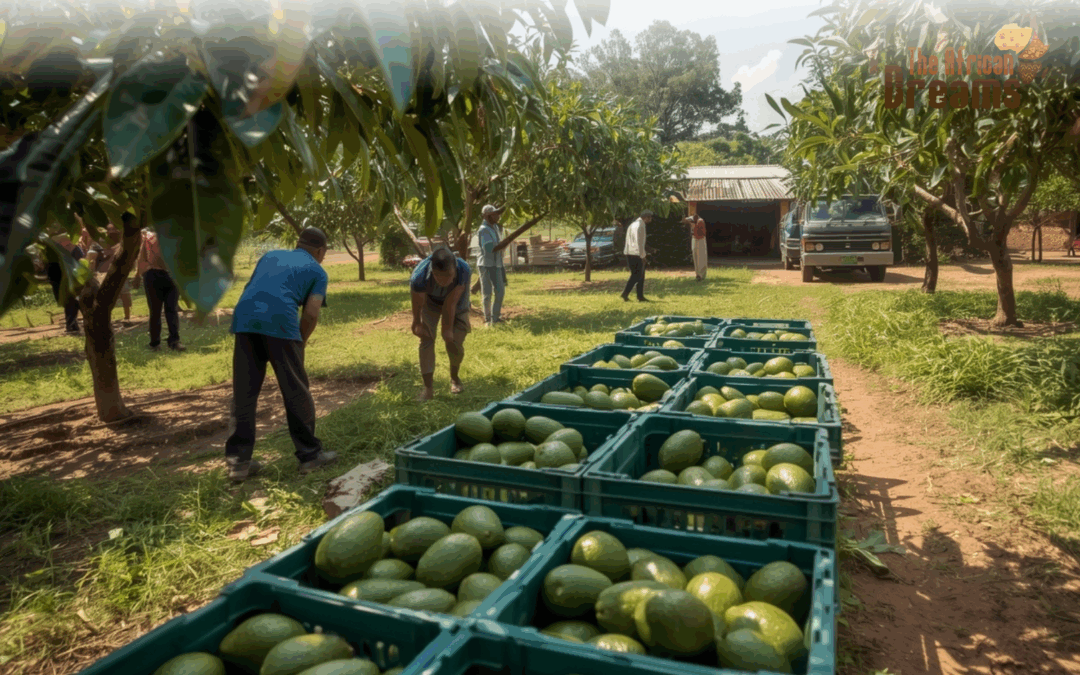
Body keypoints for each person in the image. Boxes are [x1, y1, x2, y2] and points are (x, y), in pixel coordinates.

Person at [224, 227, 338, 483]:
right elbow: (310, 314)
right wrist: (301, 343)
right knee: (296, 390)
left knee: (243, 393)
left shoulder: (270, 256)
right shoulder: (318, 272)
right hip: (279, 322)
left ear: (297, 243)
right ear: (321, 251)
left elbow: (253, 287)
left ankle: (238, 464)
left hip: (244, 319)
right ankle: (310, 457)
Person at [410, 247, 472, 401]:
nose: (445, 281)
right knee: (426, 339)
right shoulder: (419, 276)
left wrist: (447, 330)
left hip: (457, 305)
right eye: (439, 277)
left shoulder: (463, 269)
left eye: (449, 276)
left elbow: (450, 304)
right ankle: (428, 389)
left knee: (454, 341)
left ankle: (454, 377)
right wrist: (417, 322)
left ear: (455, 268)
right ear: (432, 269)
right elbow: (417, 301)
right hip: (430, 303)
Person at [136, 226, 185, 352]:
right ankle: (155, 343)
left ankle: (174, 341)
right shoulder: (149, 238)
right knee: (155, 311)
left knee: (172, 309)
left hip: (172, 276)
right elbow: (142, 257)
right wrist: (138, 275)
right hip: (153, 276)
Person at [94, 218, 134, 325]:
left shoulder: (122, 239)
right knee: (106, 295)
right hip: (105, 270)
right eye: (110, 228)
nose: (112, 230)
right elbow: (104, 251)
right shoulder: (103, 239)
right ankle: (107, 318)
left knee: (124, 293)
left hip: (120, 269)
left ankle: (127, 317)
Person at [46, 232, 84, 334]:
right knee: (70, 303)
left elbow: (81, 262)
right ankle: (72, 325)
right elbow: (51, 269)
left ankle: (73, 326)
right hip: (59, 281)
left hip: (73, 280)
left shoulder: (76, 250)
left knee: (74, 302)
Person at [476, 204, 507, 326]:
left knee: (500, 291)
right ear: (488, 216)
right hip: (486, 264)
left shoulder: (494, 228)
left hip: (497, 263)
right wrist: (503, 244)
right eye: (495, 214)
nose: (498, 216)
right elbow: (488, 248)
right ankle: (488, 319)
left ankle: (496, 317)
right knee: (487, 292)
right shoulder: (483, 229)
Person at [621, 210, 652, 302]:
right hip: (636, 253)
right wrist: (643, 256)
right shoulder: (641, 226)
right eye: (650, 217)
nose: (650, 220)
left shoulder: (632, 224)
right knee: (637, 275)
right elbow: (640, 242)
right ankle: (626, 293)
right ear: (646, 217)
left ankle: (639, 295)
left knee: (638, 275)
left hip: (629, 252)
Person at [691, 215, 708, 281]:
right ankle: (698, 275)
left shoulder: (700, 221)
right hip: (696, 239)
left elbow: (701, 233)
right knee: (696, 257)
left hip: (699, 240)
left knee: (700, 257)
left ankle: (701, 275)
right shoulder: (696, 221)